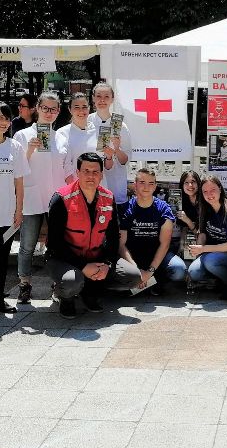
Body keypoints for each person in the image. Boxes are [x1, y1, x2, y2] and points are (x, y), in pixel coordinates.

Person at [47, 153, 141, 318]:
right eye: (86, 171)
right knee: (71, 282)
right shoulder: (61, 198)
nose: (91, 176)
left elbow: (113, 238)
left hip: (96, 257)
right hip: (65, 259)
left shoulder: (108, 197)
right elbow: (54, 244)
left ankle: (90, 291)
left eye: (95, 171)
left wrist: (106, 264)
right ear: (78, 172)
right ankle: (65, 296)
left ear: (102, 174)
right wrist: (83, 266)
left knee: (133, 277)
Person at [13, 91, 65, 304]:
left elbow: (66, 166)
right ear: (38, 109)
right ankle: (24, 283)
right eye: (45, 108)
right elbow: (16, 168)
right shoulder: (22, 136)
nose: (49, 113)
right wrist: (29, 151)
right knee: (27, 244)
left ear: (59, 111)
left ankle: (57, 284)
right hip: (32, 196)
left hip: (56, 199)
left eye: (53, 109)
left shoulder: (61, 137)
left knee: (57, 245)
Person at [0, 101, 28, 317]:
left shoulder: (15, 147)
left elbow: (19, 183)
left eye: (6, 118)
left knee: (1, 262)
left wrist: (19, 211)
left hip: (7, 215)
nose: (3, 122)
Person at [119, 167, 187, 295]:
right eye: (142, 182)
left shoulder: (163, 209)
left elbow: (164, 244)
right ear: (135, 185)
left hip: (157, 254)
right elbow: (121, 244)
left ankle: (154, 281)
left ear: (155, 186)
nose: (146, 187)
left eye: (151, 183)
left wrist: (149, 271)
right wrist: (136, 269)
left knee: (179, 270)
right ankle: (145, 282)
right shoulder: (125, 209)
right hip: (133, 256)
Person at [186, 174, 227, 299]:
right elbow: (203, 232)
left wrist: (203, 249)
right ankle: (219, 279)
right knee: (194, 272)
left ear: (220, 189)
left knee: (210, 261)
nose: (209, 194)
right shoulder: (206, 208)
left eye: (213, 190)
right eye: (205, 191)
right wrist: (198, 247)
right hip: (212, 252)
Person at [88, 83, 132, 203]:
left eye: (106, 96)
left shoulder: (119, 125)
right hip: (90, 182)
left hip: (115, 184)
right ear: (93, 98)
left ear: (112, 99)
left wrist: (117, 150)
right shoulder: (86, 122)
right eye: (98, 96)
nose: (102, 100)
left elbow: (125, 160)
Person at [57, 93, 97, 184]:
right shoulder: (62, 133)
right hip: (73, 187)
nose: (81, 111)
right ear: (70, 109)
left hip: (97, 185)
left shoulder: (98, 131)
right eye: (76, 107)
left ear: (89, 108)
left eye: (84, 107)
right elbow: (64, 164)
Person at [172, 169, 202, 258]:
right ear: (182, 185)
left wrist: (188, 221)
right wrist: (181, 247)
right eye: (186, 182)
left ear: (198, 183)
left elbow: (200, 233)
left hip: (204, 242)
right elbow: (183, 227)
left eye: (193, 182)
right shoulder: (182, 201)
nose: (190, 185)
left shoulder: (204, 201)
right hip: (189, 240)